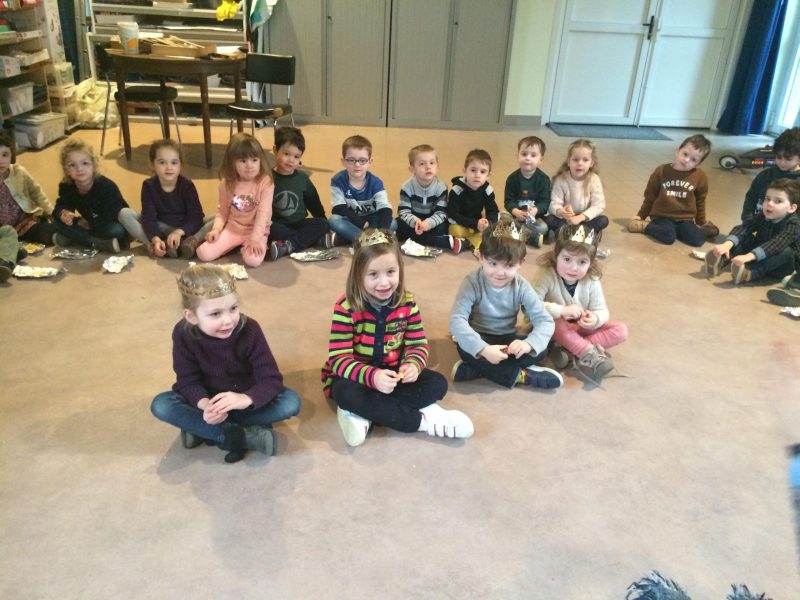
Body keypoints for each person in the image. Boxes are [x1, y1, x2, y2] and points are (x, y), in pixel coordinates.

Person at [322, 228, 474, 447]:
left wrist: (413, 364)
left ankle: (362, 413)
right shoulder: (345, 307)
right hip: (356, 379)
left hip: (393, 376)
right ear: (358, 275)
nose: (384, 283)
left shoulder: (408, 303)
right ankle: (422, 421)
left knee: (437, 384)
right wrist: (372, 376)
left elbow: (418, 344)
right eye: (373, 275)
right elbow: (338, 359)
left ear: (400, 270)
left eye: (391, 272)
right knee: (343, 392)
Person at [151, 264, 301, 463]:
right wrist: (207, 407)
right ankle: (241, 435)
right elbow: (187, 380)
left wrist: (246, 398)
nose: (228, 320)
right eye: (215, 314)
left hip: (244, 398)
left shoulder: (250, 329)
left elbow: (271, 378)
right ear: (191, 316)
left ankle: (202, 430)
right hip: (209, 401)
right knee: (161, 405)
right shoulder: (182, 333)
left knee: (290, 402)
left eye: (233, 308)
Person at [450, 219, 563, 390]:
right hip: (479, 336)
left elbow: (545, 320)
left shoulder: (521, 286)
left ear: (520, 263)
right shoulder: (471, 282)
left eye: (509, 265)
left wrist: (528, 344)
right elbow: (457, 320)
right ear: (480, 257)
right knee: (464, 348)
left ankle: (478, 369)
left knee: (541, 349)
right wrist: (483, 350)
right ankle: (522, 376)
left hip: (507, 339)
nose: (500, 273)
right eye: (493, 263)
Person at [531, 224, 628, 383]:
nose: (574, 268)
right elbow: (530, 306)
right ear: (556, 256)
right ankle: (586, 352)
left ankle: (570, 352)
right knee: (557, 324)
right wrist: (561, 310)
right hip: (549, 328)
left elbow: (601, 309)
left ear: (591, 262)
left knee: (621, 330)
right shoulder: (545, 274)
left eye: (582, 262)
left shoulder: (591, 278)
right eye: (567, 259)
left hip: (577, 328)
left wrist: (595, 318)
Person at [123, 139, 212, 259]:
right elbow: (149, 217)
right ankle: (154, 245)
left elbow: (196, 217)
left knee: (218, 218)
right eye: (162, 162)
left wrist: (179, 231)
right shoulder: (148, 186)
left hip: (185, 229)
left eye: (174, 163)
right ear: (152, 164)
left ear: (181, 165)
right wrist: (155, 238)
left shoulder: (187, 186)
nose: (169, 167)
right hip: (161, 227)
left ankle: (192, 241)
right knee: (125, 213)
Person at [195, 133, 273, 267]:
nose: (249, 165)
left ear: (260, 160)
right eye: (243, 161)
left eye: (254, 160)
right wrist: (216, 230)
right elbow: (222, 212)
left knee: (253, 260)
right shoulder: (226, 184)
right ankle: (233, 245)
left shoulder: (265, 182)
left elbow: (263, 213)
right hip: (232, 229)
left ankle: (240, 246)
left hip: (255, 231)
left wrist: (255, 239)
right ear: (232, 162)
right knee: (203, 254)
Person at [628, 134, 718, 246]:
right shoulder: (661, 171)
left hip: (685, 219)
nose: (686, 160)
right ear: (677, 151)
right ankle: (645, 226)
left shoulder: (700, 176)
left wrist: (701, 222)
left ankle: (687, 231)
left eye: (693, 160)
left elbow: (700, 201)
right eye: (685, 154)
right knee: (668, 237)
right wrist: (641, 215)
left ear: (698, 164)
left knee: (697, 240)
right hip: (662, 216)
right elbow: (650, 196)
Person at [705, 178, 800, 284]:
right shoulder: (763, 215)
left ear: (791, 208)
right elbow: (745, 228)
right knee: (749, 235)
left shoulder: (793, 224)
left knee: (786, 251)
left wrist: (749, 256)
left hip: (780, 266)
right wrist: (727, 244)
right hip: (761, 253)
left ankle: (749, 272)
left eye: (778, 201)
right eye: (767, 199)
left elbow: (776, 244)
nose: (770, 204)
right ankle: (723, 258)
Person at [52, 138, 130, 253]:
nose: (79, 169)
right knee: (56, 223)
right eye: (72, 165)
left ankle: (76, 238)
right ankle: (97, 243)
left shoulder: (106, 186)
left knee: (117, 230)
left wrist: (89, 224)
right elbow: (61, 205)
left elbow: (110, 215)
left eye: (85, 163)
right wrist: (63, 213)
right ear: (66, 170)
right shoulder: (66, 185)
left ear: (94, 165)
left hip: (110, 222)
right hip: (89, 224)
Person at [267, 126, 329, 260]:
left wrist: (323, 221)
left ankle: (288, 245)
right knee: (268, 229)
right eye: (286, 154)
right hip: (278, 225)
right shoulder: (267, 178)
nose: (291, 160)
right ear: (275, 150)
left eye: (296, 156)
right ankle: (308, 239)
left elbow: (314, 203)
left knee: (322, 224)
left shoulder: (302, 178)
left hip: (300, 223)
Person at [396, 144, 466, 254]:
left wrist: (428, 224)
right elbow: (403, 211)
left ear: (437, 167)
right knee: (400, 224)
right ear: (412, 169)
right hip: (415, 220)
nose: (428, 167)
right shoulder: (407, 187)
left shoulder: (441, 187)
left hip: (433, 220)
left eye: (432, 163)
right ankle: (439, 241)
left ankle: (412, 237)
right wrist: (415, 222)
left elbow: (441, 213)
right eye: (422, 164)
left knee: (442, 227)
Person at [327, 135, 393, 245]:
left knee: (393, 223)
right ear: (343, 161)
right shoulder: (338, 180)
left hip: (372, 221)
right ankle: (371, 241)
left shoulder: (376, 183)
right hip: (352, 221)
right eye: (351, 160)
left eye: (362, 160)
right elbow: (338, 208)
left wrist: (383, 230)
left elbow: (385, 208)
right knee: (334, 220)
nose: (357, 164)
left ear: (370, 162)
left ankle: (354, 239)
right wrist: (362, 224)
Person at [0, 129, 55, 247]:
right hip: (3, 231)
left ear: (11, 155)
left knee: (46, 233)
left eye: (5, 155)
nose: (1, 161)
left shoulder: (19, 172)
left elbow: (37, 192)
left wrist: (51, 212)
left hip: (25, 222)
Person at [546, 138, 608, 236]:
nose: (580, 163)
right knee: (550, 219)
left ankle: (576, 231)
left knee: (603, 220)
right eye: (575, 159)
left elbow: (599, 205)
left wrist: (581, 217)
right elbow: (554, 202)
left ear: (591, 163)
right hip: (566, 219)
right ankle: (581, 233)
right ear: (568, 161)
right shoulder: (561, 179)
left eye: (585, 160)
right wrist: (560, 211)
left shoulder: (594, 180)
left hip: (585, 219)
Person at [740, 126, 800, 221]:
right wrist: (747, 219)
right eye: (779, 157)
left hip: (786, 228)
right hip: (758, 223)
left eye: (788, 159)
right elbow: (751, 198)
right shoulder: (765, 175)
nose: (782, 162)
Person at [447, 148, 500, 251]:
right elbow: (452, 214)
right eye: (473, 170)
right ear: (464, 171)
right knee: (454, 230)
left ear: (488, 175)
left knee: (495, 229)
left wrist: (488, 223)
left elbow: (493, 210)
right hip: (461, 223)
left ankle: (466, 242)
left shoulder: (487, 190)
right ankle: (476, 241)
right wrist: (475, 224)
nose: (477, 175)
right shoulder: (457, 190)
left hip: (478, 224)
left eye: (482, 172)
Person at [504, 135, 550, 248]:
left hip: (534, 218)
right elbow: (508, 201)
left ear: (541, 159)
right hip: (516, 216)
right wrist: (515, 211)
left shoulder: (543, 179)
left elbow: (545, 202)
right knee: (500, 217)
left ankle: (515, 233)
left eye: (533, 155)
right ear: (517, 155)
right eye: (524, 154)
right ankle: (529, 237)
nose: (528, 158)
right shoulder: (512, 178)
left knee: (543, 228)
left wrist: (535, 210)